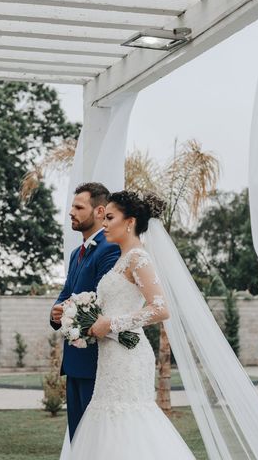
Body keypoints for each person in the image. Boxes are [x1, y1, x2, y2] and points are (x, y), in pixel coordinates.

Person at [66, 190, 196, 459]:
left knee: (128, 422)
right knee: (107, 425)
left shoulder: (139, 258)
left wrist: (111, 324)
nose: (103, 224)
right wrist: (82, 316)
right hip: (109, 358)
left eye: (110, 217)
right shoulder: (121, 261)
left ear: (130, 222)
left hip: (129, 357)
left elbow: (161, 309)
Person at [50, 182, 120, 440]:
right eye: (72, 206)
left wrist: (70, 310)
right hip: (73, 363)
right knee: (77, 438)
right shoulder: (74, 254)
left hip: (95, 361)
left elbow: (104, 302)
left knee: (94, 440)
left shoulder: (109, 249)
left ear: (100, 211)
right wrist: (56, 312)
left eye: (79, 207)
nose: (71, 212)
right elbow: (67, 292)